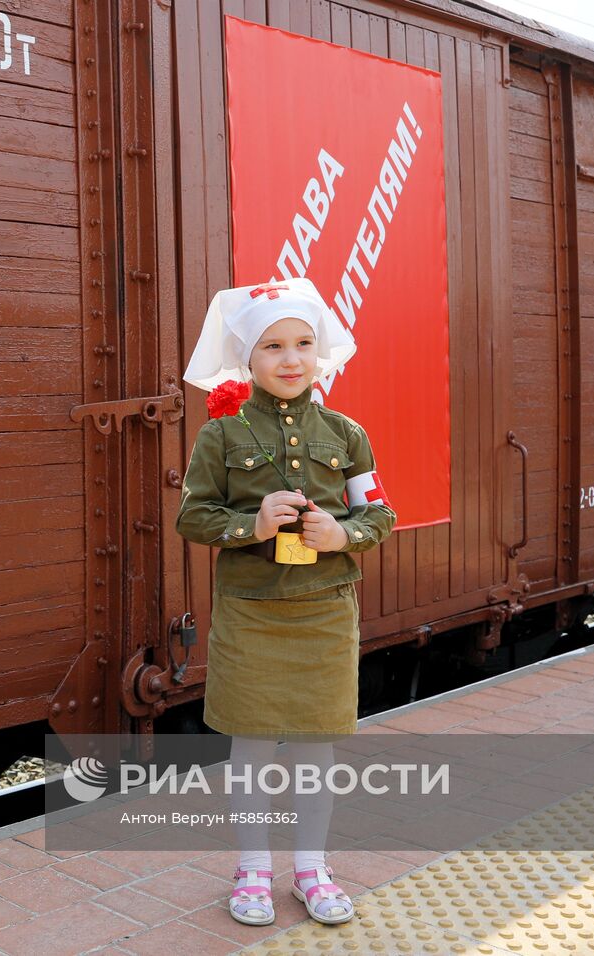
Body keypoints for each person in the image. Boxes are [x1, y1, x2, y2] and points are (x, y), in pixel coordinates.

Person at [174, 277, 396, 927]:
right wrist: (253, 527)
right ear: (246, 358)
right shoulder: (221, 437)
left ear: (321, 350)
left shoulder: (347, 433)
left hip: (325, 610)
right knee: (250, 750)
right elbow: (193, 518)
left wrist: (342, 535)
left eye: (303, 342)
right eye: (272, 346)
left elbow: (377, 517)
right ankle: (250, 872)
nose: (290, 358)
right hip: (250, 613)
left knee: (315, 750)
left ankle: (309, 869)